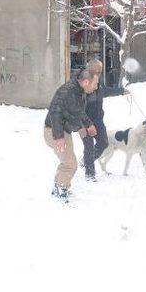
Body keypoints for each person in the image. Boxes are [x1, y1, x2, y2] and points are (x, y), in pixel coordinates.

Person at [44, 69, 98, 201]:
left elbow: (78, 111)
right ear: (86, 82)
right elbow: (55, 113)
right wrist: (59, 137)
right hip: (54, 131)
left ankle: (58, 187)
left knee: (67, 162)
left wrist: (87, 124)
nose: (96, 87)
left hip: (64, 131)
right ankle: (61, 189)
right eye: (95, 84)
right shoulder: (66, 92)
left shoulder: (78, 90)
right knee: (70, 164)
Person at [82, 59, 108, 181]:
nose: (98, 73)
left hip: (98, 120)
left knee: (103, 143)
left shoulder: (98, 82)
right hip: (85, 121)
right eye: (96, 71)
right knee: (89, 146)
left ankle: (86, 160)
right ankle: (89, 174)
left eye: (100, 71)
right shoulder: (83, 83)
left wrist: (121, 90)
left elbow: (104, 92)